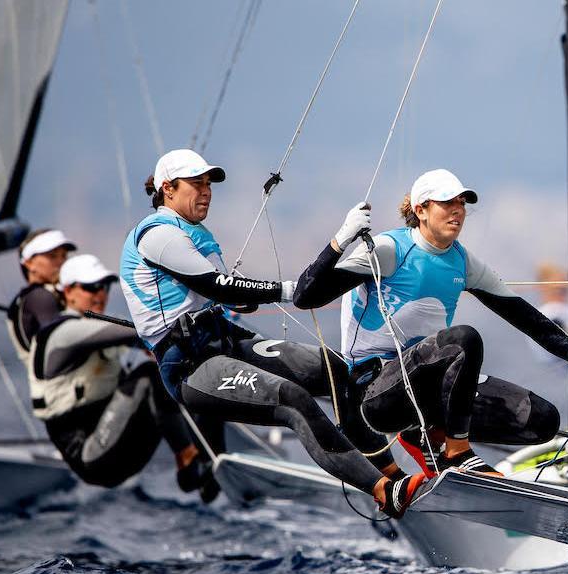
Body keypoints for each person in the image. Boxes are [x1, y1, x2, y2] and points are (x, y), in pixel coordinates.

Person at [119, 148, 424, 517]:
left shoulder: (194, 232)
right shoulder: (157, 235)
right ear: (168, 189)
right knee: (292, 399)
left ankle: (391, 472)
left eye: (208, 184)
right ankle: (382, 491)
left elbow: (219, 293)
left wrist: (240, 298)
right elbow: (220, 287)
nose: (206, 191)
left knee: (333, 368)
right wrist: (288, 290)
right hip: (189, 366)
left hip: (224, 340)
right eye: (195, 184)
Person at [293, 168, 568, 478]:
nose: (457, 211)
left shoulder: (462, 261)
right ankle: (456, 452)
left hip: (428, 389)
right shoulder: (390, 249)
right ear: (421, 210)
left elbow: (527, 317)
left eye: (461, 203)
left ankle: (433, 438)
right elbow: (307, 296)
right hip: (377, 393)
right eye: (447, 203)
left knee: (540, 420)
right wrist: (341, 239)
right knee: (463, 340)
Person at [30, 254, 215, 496]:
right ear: (68, 291)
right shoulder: (63, 333)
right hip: (91, 457)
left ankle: (210, 461)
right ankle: (188, 458)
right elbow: (137, 332)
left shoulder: (95, 328)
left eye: (104, 287)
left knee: (180, 371)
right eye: (91, 287)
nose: (100, 294)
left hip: (120, 447)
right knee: (150, 374)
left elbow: (147, 339)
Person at [6, 228, 77, 360]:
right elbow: (61, 340)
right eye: (53, 256)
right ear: (29, 263)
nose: (61, 262)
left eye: (64, 256)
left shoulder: (32, 296)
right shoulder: (39, 296)